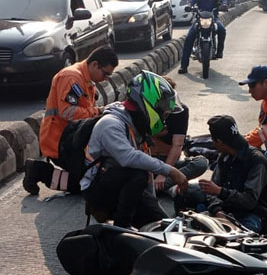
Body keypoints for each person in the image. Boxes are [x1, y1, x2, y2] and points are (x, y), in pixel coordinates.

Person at [80, 72, 189, 229]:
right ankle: (120, 229)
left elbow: (146, 166)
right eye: (162, 111)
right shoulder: (111, 124)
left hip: (126, 187)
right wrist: (171, 171)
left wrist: (153, 204)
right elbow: (129, 158)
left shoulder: (136, 124)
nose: (164, 118)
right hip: (98, 189)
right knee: (138, 174)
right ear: (149, 104)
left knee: (163, 229)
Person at [23, 46, 118, 195]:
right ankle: (38, 171)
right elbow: (67, 112)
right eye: (105, 74)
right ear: (94, 65)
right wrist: (98, 112)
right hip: (61, 141)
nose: (105, 79)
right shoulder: (71, 77)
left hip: (76, 139)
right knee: (84, 185)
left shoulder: (86, 80)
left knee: (98, 176)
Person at [198, 115, 267, 235]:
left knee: (243, 234)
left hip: (254, 213)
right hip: (227, 208)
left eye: (213, 141)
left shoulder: (257, 162)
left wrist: (221, 192)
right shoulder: (224, 156)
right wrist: (218, 211)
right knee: (189, 194)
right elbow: (212, 191)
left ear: (219, 141)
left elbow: (249, 201)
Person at [151, 76, 209, 194]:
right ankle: (162, 188)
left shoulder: (180, 111)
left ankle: (158, 187)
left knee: (201, 163)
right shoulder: (147, 108)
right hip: (148, 161)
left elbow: (177, 146)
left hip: (168, 163)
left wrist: (164, 173)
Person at [178, 0, 228, 74]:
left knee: (222, 30)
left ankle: (219, 52)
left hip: (213, 18)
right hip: (199, 18)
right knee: (189, 38)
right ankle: (184, 66)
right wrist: (189, 5)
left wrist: (224, 4)